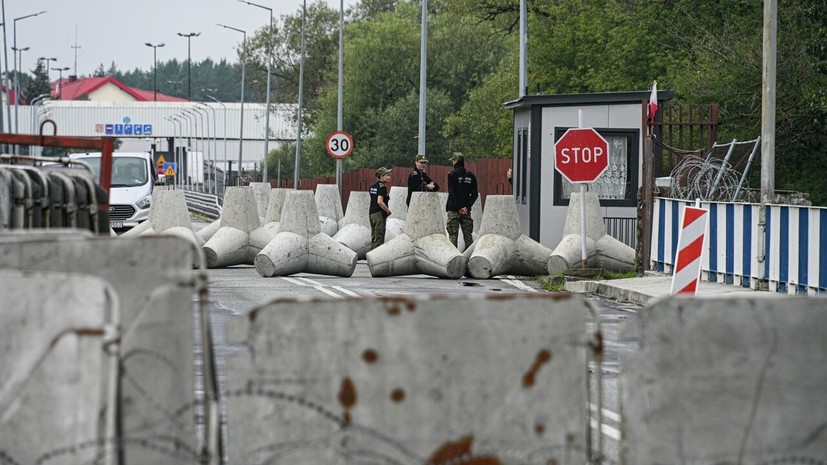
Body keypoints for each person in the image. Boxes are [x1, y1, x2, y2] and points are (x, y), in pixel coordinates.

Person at [446, 153, 478, 249]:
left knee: (453, 236)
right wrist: (466, 207)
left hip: (454, 209)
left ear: (455, 161)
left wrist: (458, 207)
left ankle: (454, 259)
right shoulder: (471, 176)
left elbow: (452, 193)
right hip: (466, 211)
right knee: (468, 237)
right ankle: (469, 258)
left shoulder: (452, 174)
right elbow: (474, 194)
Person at [368, 167, 393, 250]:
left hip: (372, 214)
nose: (389, 177)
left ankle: (371, 257)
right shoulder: (382, 187)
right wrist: (388, 210)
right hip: (379, 214)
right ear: (381, 176)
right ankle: (375, 259)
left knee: (374, 236)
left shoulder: (372, 187)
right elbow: (380, 201)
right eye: (387, 175)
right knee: (379, 237)